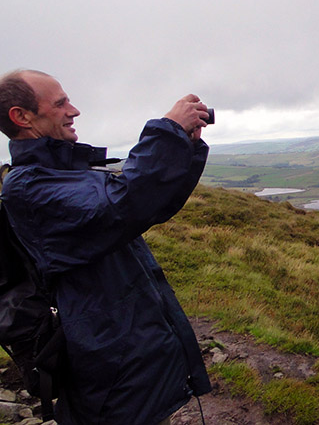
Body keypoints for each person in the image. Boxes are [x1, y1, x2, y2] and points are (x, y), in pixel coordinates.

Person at [0, 69, 212, 424]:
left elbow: (148, 209)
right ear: (22, 117)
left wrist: (184, 147)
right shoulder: (27, 187)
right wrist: (168, 130)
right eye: (60, 103)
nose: (74, 110)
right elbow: (120, 206)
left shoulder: (63, 172)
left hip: (125, 354)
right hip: (107, 365)